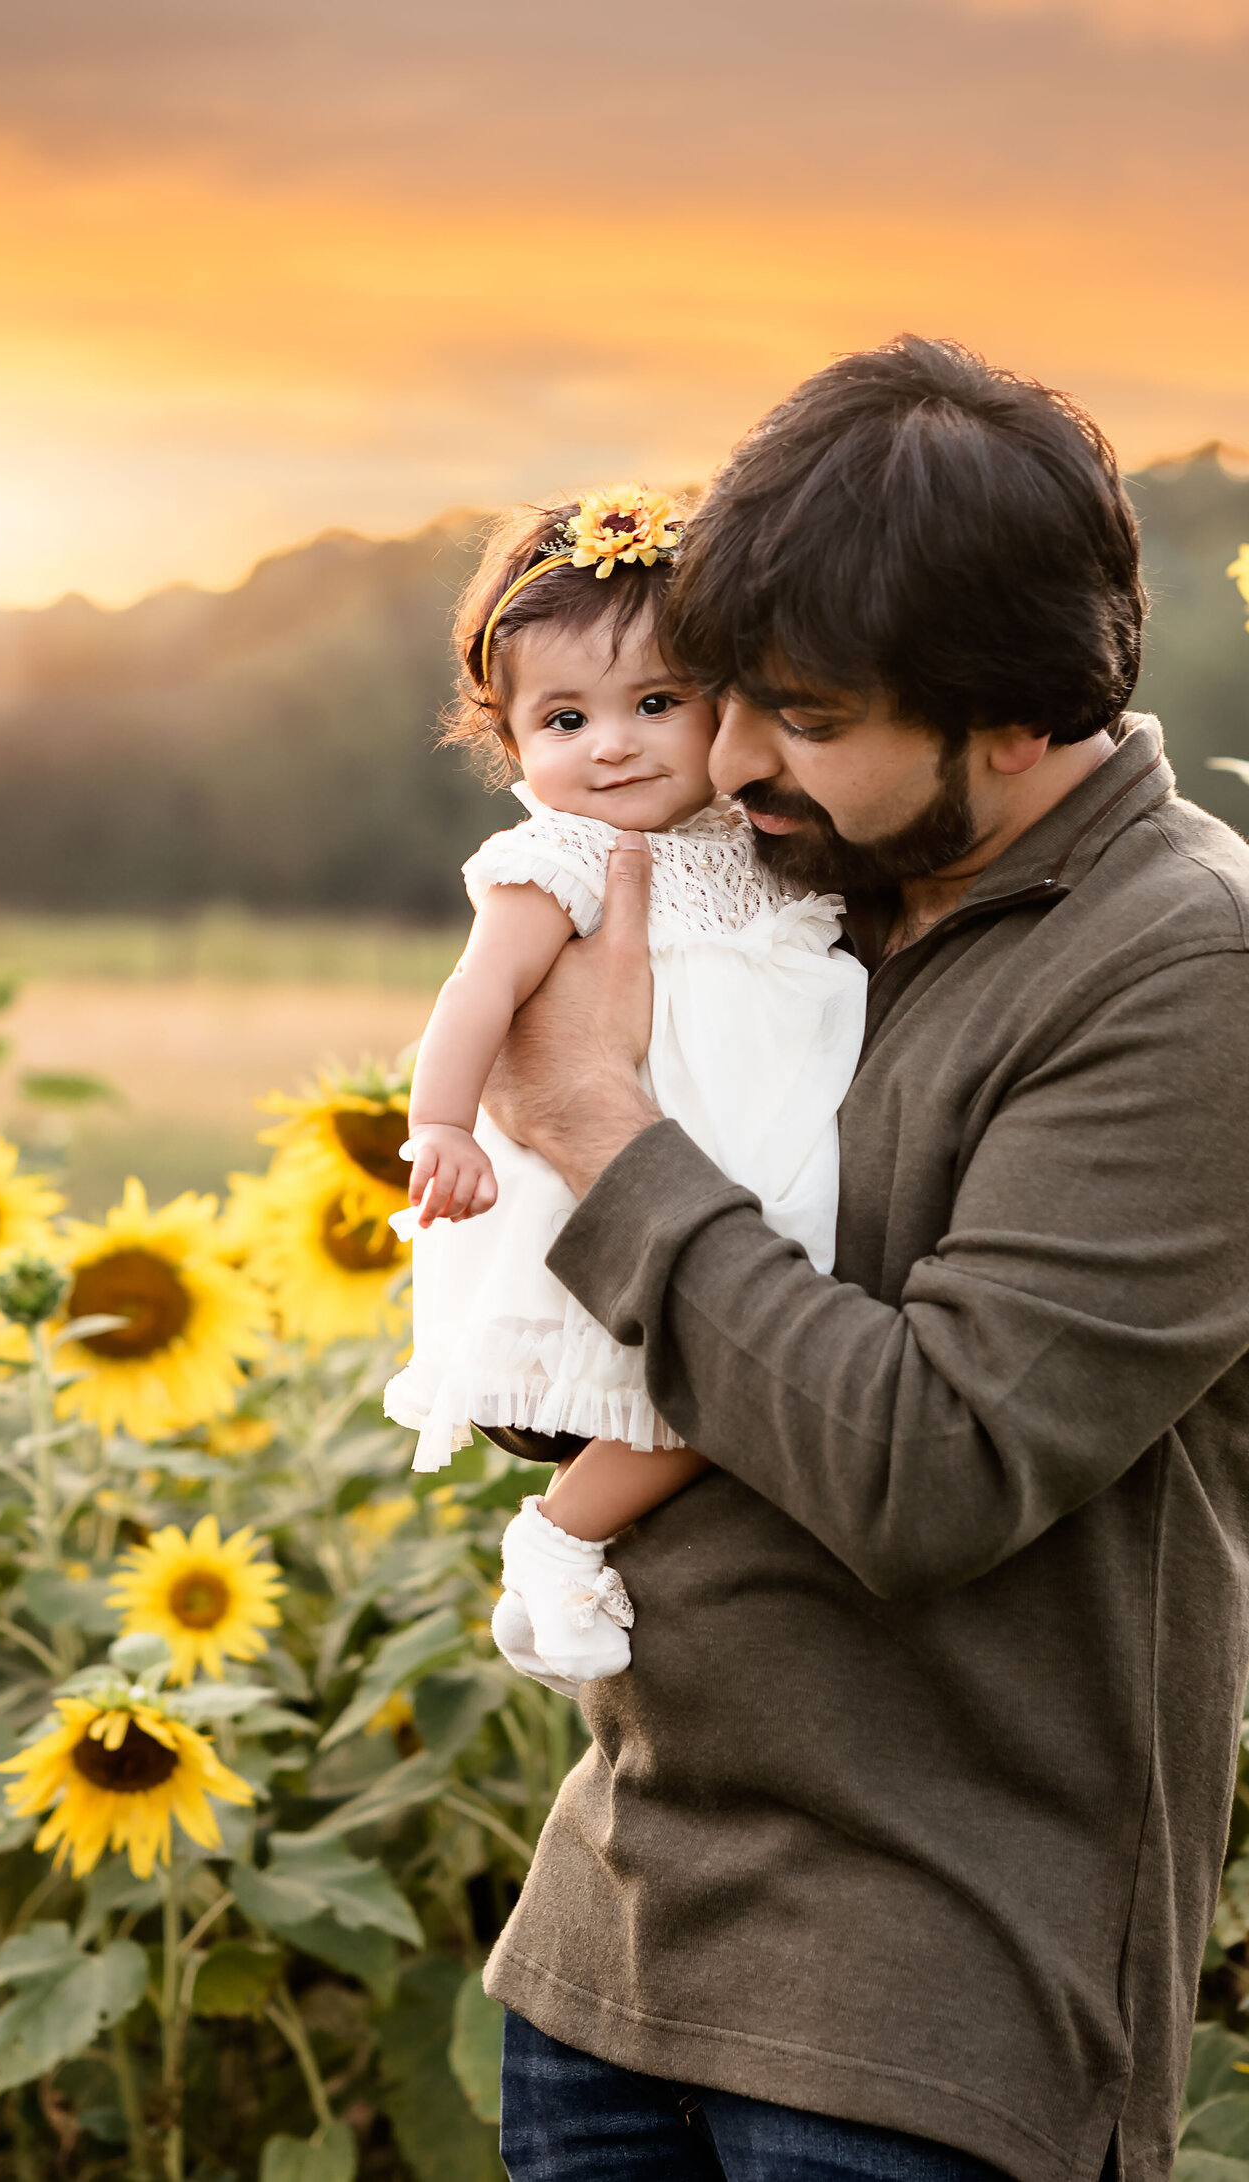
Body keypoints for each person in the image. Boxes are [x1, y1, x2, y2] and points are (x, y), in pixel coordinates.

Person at [478, 337, 1249, 2182]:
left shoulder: (1198, 980)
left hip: (927, 2010)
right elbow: (596, 1367)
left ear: (1014, 718)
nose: (721, 761)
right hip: (610, 1938)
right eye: (728, 696)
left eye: (800, 716)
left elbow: (929, 1468)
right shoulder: (784, 887)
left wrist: (596, 1130)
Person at [382, 485, 865, 1686]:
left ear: (722, 706)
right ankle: (558, 1538)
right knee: (703, 1377)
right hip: (621, 1180)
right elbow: (479, 997)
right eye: (563, 719)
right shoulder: (559, 856)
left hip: (741, 1157)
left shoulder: (758, 837)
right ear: (509, 739)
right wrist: (439, 1125)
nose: (611, 743)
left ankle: (563, 1545)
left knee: (758, 1357)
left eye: (655, 703)